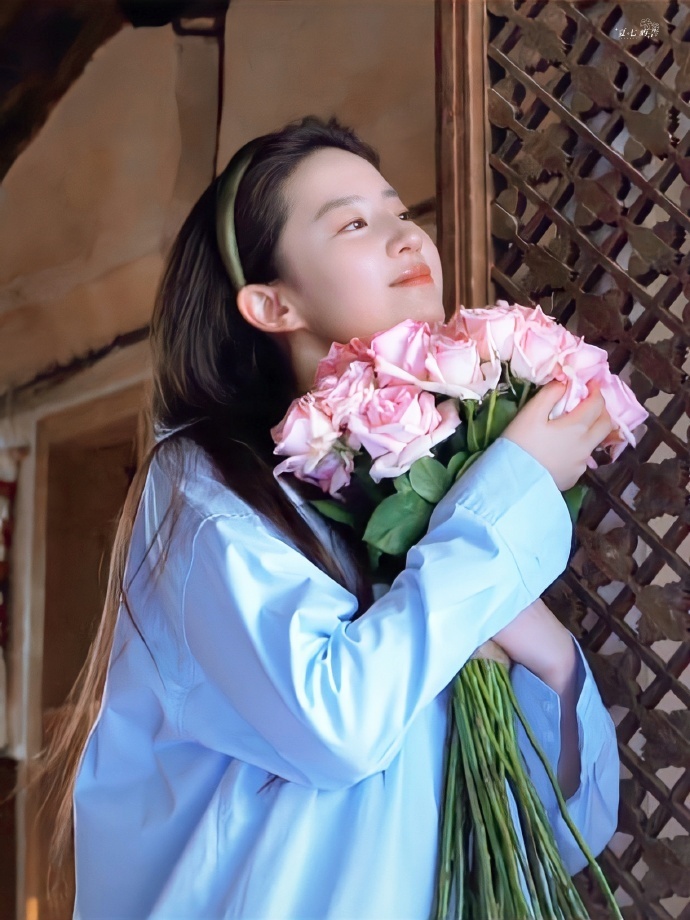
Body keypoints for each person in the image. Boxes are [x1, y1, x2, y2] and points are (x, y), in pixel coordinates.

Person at [43, 116, 619, 919]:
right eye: (353, 224)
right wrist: (512, 489)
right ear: (272, 303)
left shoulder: (435, 486)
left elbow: (567, 832)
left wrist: (549, 655)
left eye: (399, 211)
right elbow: (337, 726)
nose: (405, 236)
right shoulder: (202, 486)